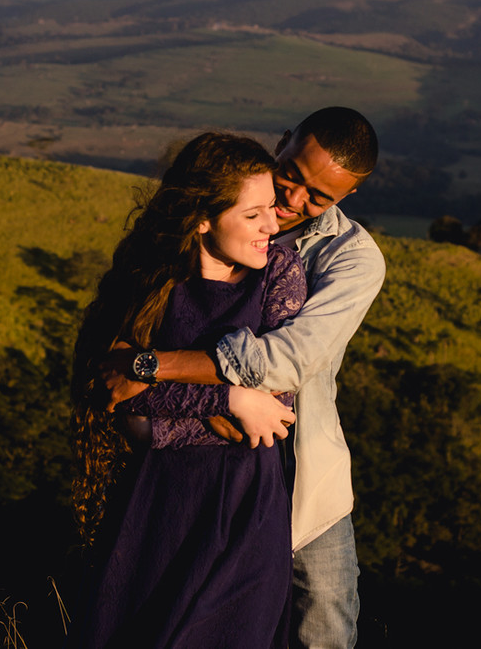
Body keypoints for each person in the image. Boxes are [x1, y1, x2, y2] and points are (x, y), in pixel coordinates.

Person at [103, 106, 385, 649]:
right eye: (292, 176)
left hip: (305, 480)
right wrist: (218, 401)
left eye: (318, 197)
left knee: (322, 628)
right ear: (283, 143)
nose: (293, 201)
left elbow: (285, 362)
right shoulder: (224, 198)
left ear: (346, 198)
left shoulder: (353, 260)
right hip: (195, 479)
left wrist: (152, 365)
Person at [68, 132, 308, 649]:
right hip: (156, 510)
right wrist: (229, 399)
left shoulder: (280, 277)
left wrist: (155, 414)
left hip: (247, 510)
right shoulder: (150, 279)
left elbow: (277, 408)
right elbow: (112, 389)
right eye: (253, 214)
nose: (273, 225)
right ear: (202, 217)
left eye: (272, 208)